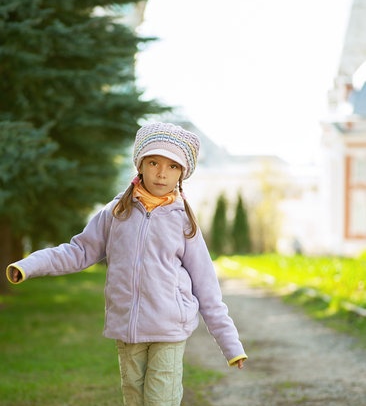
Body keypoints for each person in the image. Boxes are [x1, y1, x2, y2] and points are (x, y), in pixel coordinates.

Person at [6, 122, 248, 405]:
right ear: (140, 165)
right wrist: (29, 265)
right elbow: (78, 251)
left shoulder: (183, 221)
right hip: (128, 329)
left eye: (172, 166)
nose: (161, 172)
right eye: (154, 162)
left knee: (160, 401)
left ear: (182, 173)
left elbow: (206, 287)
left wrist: (231, 345)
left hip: (168, 329)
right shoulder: (116, 212)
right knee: (134, 400)